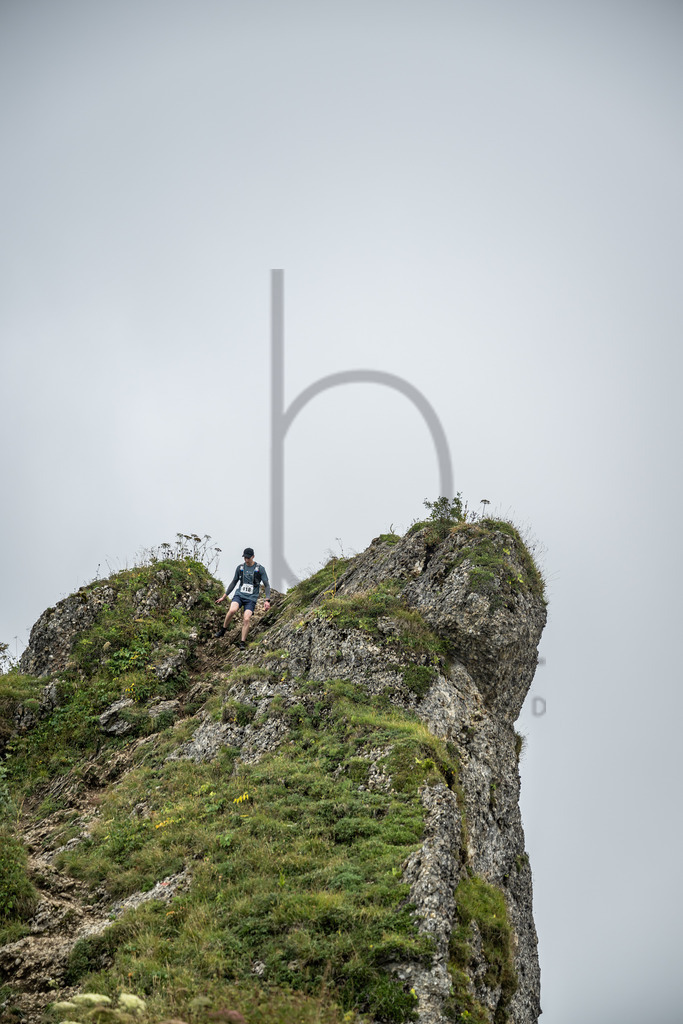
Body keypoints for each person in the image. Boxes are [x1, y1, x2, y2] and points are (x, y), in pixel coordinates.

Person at [214, 548, 271, 648]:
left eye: (248, 558)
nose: (246, 559)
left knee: (246, 618)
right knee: (232, 610)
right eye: (244, 557)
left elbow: (266, 585)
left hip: (251, 598)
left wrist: (267, 600)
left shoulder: (260, 569)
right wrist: (224, 596)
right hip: (239, 595)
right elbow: (234, 582)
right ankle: (223, 630)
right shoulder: (240, 568)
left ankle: (242, 642)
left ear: (253, 557)